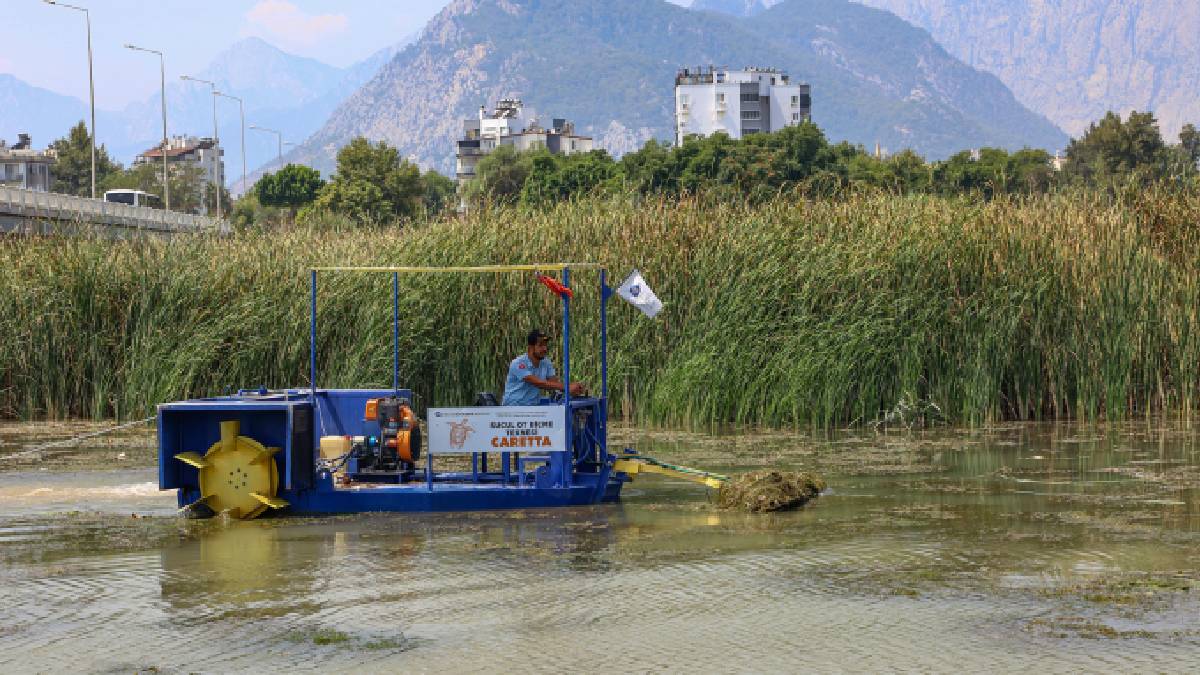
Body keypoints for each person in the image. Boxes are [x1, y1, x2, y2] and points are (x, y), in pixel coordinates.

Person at [502, 329, 587, 405]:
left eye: (546, 345)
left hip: (533, 408)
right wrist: (567, 387)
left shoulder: (546, 362)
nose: (545, 349)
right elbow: (539, 383)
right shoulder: (518, 363)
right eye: (541, 345)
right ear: (530, 348)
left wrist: (573, 389)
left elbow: (554, 383)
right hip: (512, 410)